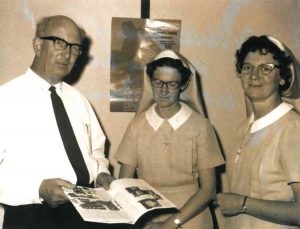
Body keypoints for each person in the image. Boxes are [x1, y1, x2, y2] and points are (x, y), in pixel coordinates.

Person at [0, 15, 114, 228]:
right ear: (38, 45)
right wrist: (37, 189)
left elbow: (97, 151)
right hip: (32, 215)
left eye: (75, 48)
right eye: (60, 43)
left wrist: (101, 174)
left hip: (85, 214)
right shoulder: (5, 99)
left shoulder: (79, 100)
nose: (68, 54)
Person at [114, 50, 224, 228]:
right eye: (158, 83)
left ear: (182, 85)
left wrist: (172, 222)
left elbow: (208, 190)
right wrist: (148, 222)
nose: (164, 91)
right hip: (148, 216)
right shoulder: (137, 126)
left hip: (191, 218)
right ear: (150, 82)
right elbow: (124, 184)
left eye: (172, 84)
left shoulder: (201, 127)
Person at [217, 35, 300, 228]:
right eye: (247, 67)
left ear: (282, 78)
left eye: (266, 68)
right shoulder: (245, 127)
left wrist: (243, 204)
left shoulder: (293, 129)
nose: (254, 75)